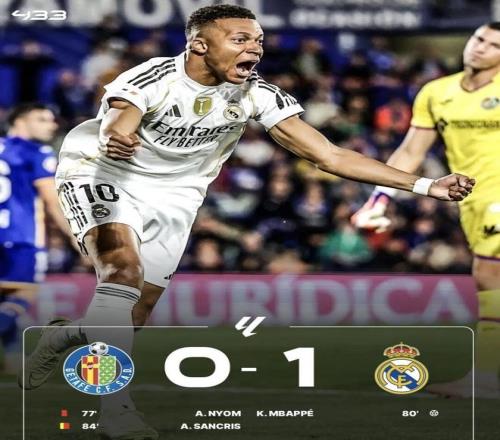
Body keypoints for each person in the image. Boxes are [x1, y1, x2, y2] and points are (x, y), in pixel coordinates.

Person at [21, 5, 474, 440]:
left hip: (178, 195)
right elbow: (119, 120)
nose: (254, 48)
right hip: (104, 174)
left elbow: (329, 155)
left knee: (132, 315)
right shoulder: (154, 76)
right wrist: (116, 135)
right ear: (200, 45)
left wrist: (425, 185)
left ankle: (65, 334)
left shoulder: (257, 94)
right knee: (122, 274)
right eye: (240, 39)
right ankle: (114, 411)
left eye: (258, 40)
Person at [352, 22, 500, 399]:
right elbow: (411, 152)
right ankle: (486, 376)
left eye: (494, 45)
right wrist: (379, 199)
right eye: (479, 39)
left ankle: (486, 377)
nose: (481, 47)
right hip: (471, 200)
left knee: (490, 274)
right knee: (489, 280)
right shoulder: (437, 92)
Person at [0, 103, 73, 373]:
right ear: (20, 121)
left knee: (4, 300)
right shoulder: (37, 152)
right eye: (42, 119)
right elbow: (52, 202)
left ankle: (13, 359)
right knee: (23, 294)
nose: (51, 125)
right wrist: (76, 238)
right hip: (21, 239)